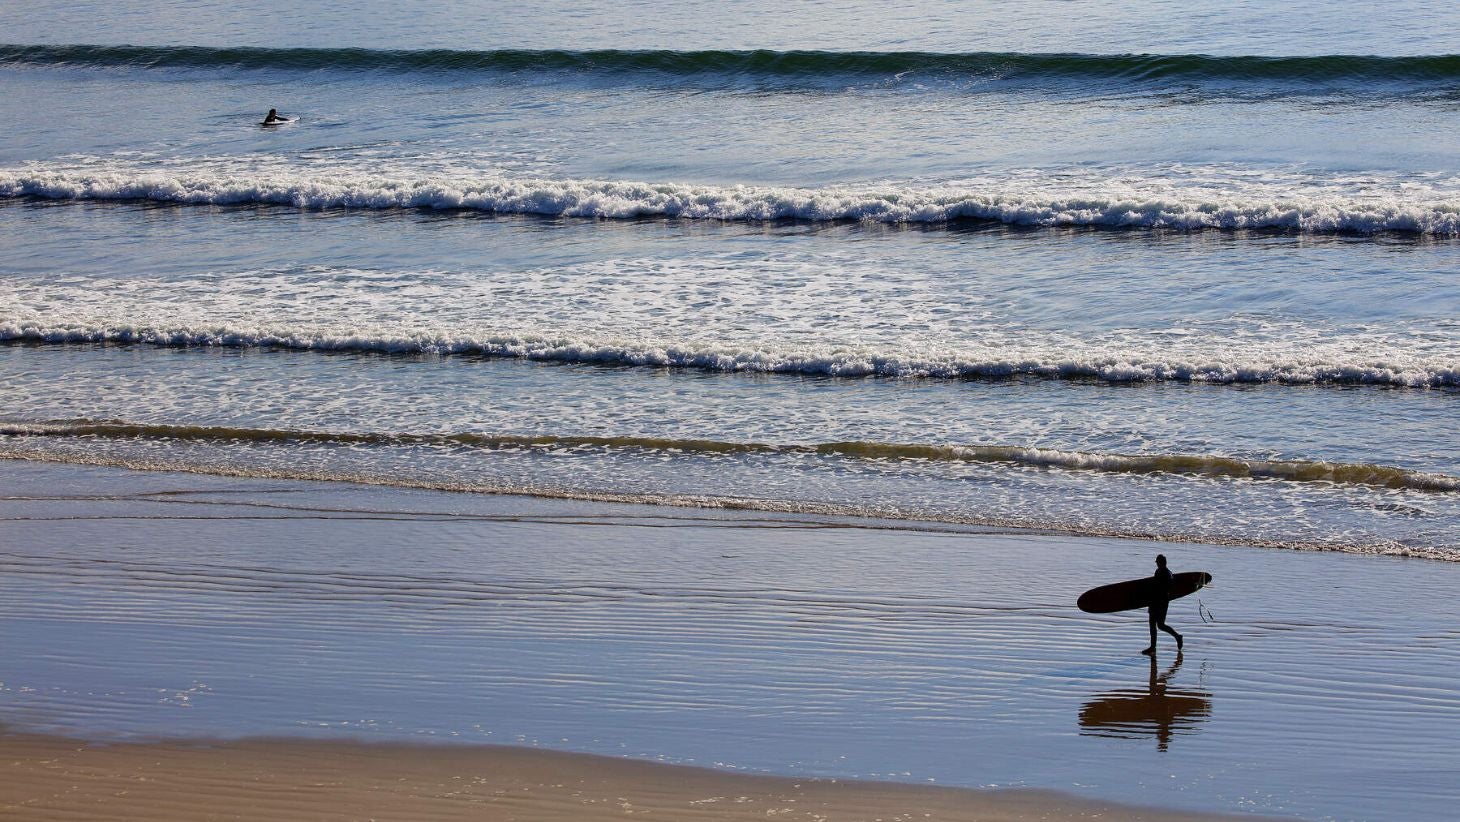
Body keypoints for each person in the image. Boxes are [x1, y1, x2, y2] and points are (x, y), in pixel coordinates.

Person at [1141, 554, 1183, 655]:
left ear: (1162, 562)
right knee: (1153, 625)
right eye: (1157, 562)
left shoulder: (1167, 573)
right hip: (1154, 601)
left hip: (1161, 602)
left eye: (1158, 562)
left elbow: (1168, 587)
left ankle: (1177, 637)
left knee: (1160, 625)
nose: (1157, 564)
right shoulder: (1158, 571)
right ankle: (1153, 647)